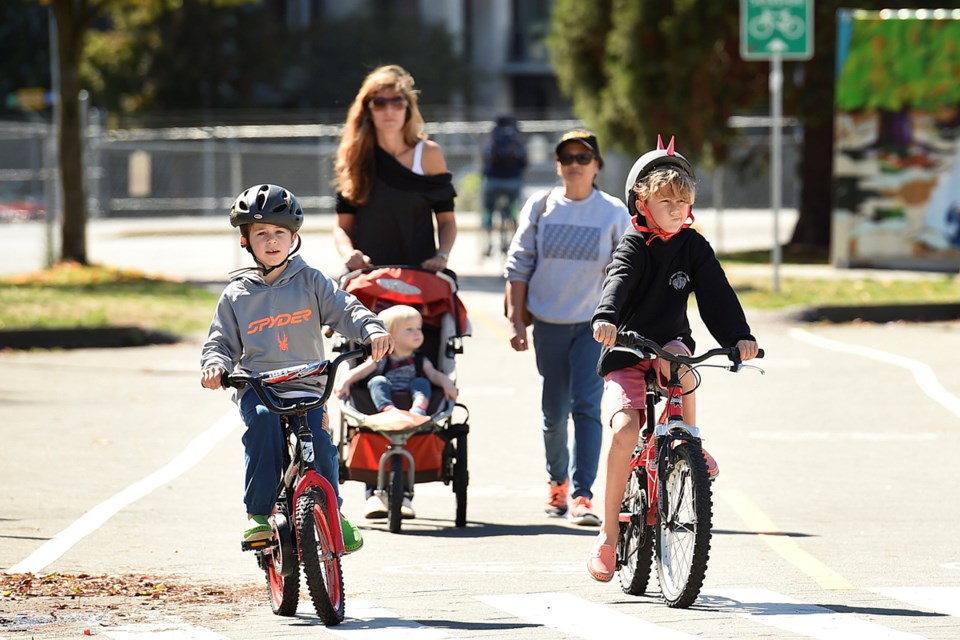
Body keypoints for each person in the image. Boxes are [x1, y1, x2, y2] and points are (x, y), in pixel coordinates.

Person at [586, 136, 760, 582]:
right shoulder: (633, 245)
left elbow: (717, 294)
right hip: (625, 343)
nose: (678, 207)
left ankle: (690, 444)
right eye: (666, 199)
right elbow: (618, 281)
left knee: (684, 369)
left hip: (668, 343)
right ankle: (607, 538)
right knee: (625, 428)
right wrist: (605, 318)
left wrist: (740, 337)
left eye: (684, 199)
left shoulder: (693, 247)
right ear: (641, 202)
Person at [200, 184, 394, 553]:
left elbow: (345, 309)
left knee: (322, 445)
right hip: (259, 387)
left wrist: (370, 327)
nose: (271, 241)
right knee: (262, 427)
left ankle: (334, 515)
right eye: (261, 234)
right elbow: (220, 342)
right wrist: (215, 365)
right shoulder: (237, 294)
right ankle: (258, 515)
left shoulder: (312, 281)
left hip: (308, 386)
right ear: (246, 240)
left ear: (294, 238)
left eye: (279, 233)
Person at [504, 130, 631, 526]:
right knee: (554, 411)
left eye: (583, 157)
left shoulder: (612, 211)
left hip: (595, 327)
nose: (574, 164)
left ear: (596, 166)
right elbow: (519, 265)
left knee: (587, 408)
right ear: (558, 165)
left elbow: (628, 269)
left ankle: (582, 494)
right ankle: (556, 482)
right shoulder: (540, 207)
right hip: (549, 323)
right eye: (567, 158)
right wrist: (515, 319)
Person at [334, 304, 459, 520]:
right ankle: (374, 496)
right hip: (383, 409)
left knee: (422, 381)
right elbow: (361, 371)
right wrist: (344, 380)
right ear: (390, 334)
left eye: (419, 329)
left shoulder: (421, 360)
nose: (417, 333)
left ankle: (406, 498)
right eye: (409, 329)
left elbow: (436, 375)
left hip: (412, 409)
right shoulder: (381, 357)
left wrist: (447, 383)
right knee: (378, 381)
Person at [333, 64, 457, 273]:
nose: (389, 111)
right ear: (368, 110)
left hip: (420, 275)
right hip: (368, 277)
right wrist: (348, 254)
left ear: (408, 107)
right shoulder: (355, 156)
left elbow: (447, 221)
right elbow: (342, 226)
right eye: (380, 103)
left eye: (397, 102)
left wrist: (441, 255)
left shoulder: (428, 154)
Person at [481, 114, 528, 256]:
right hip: (513, 181)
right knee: (514, 208)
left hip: (493, 181)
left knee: (488, 209)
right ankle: (515, 239)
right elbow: (524, 162)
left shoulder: (492, 137)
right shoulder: (516, 138)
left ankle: (488, 242)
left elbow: (485, 160)